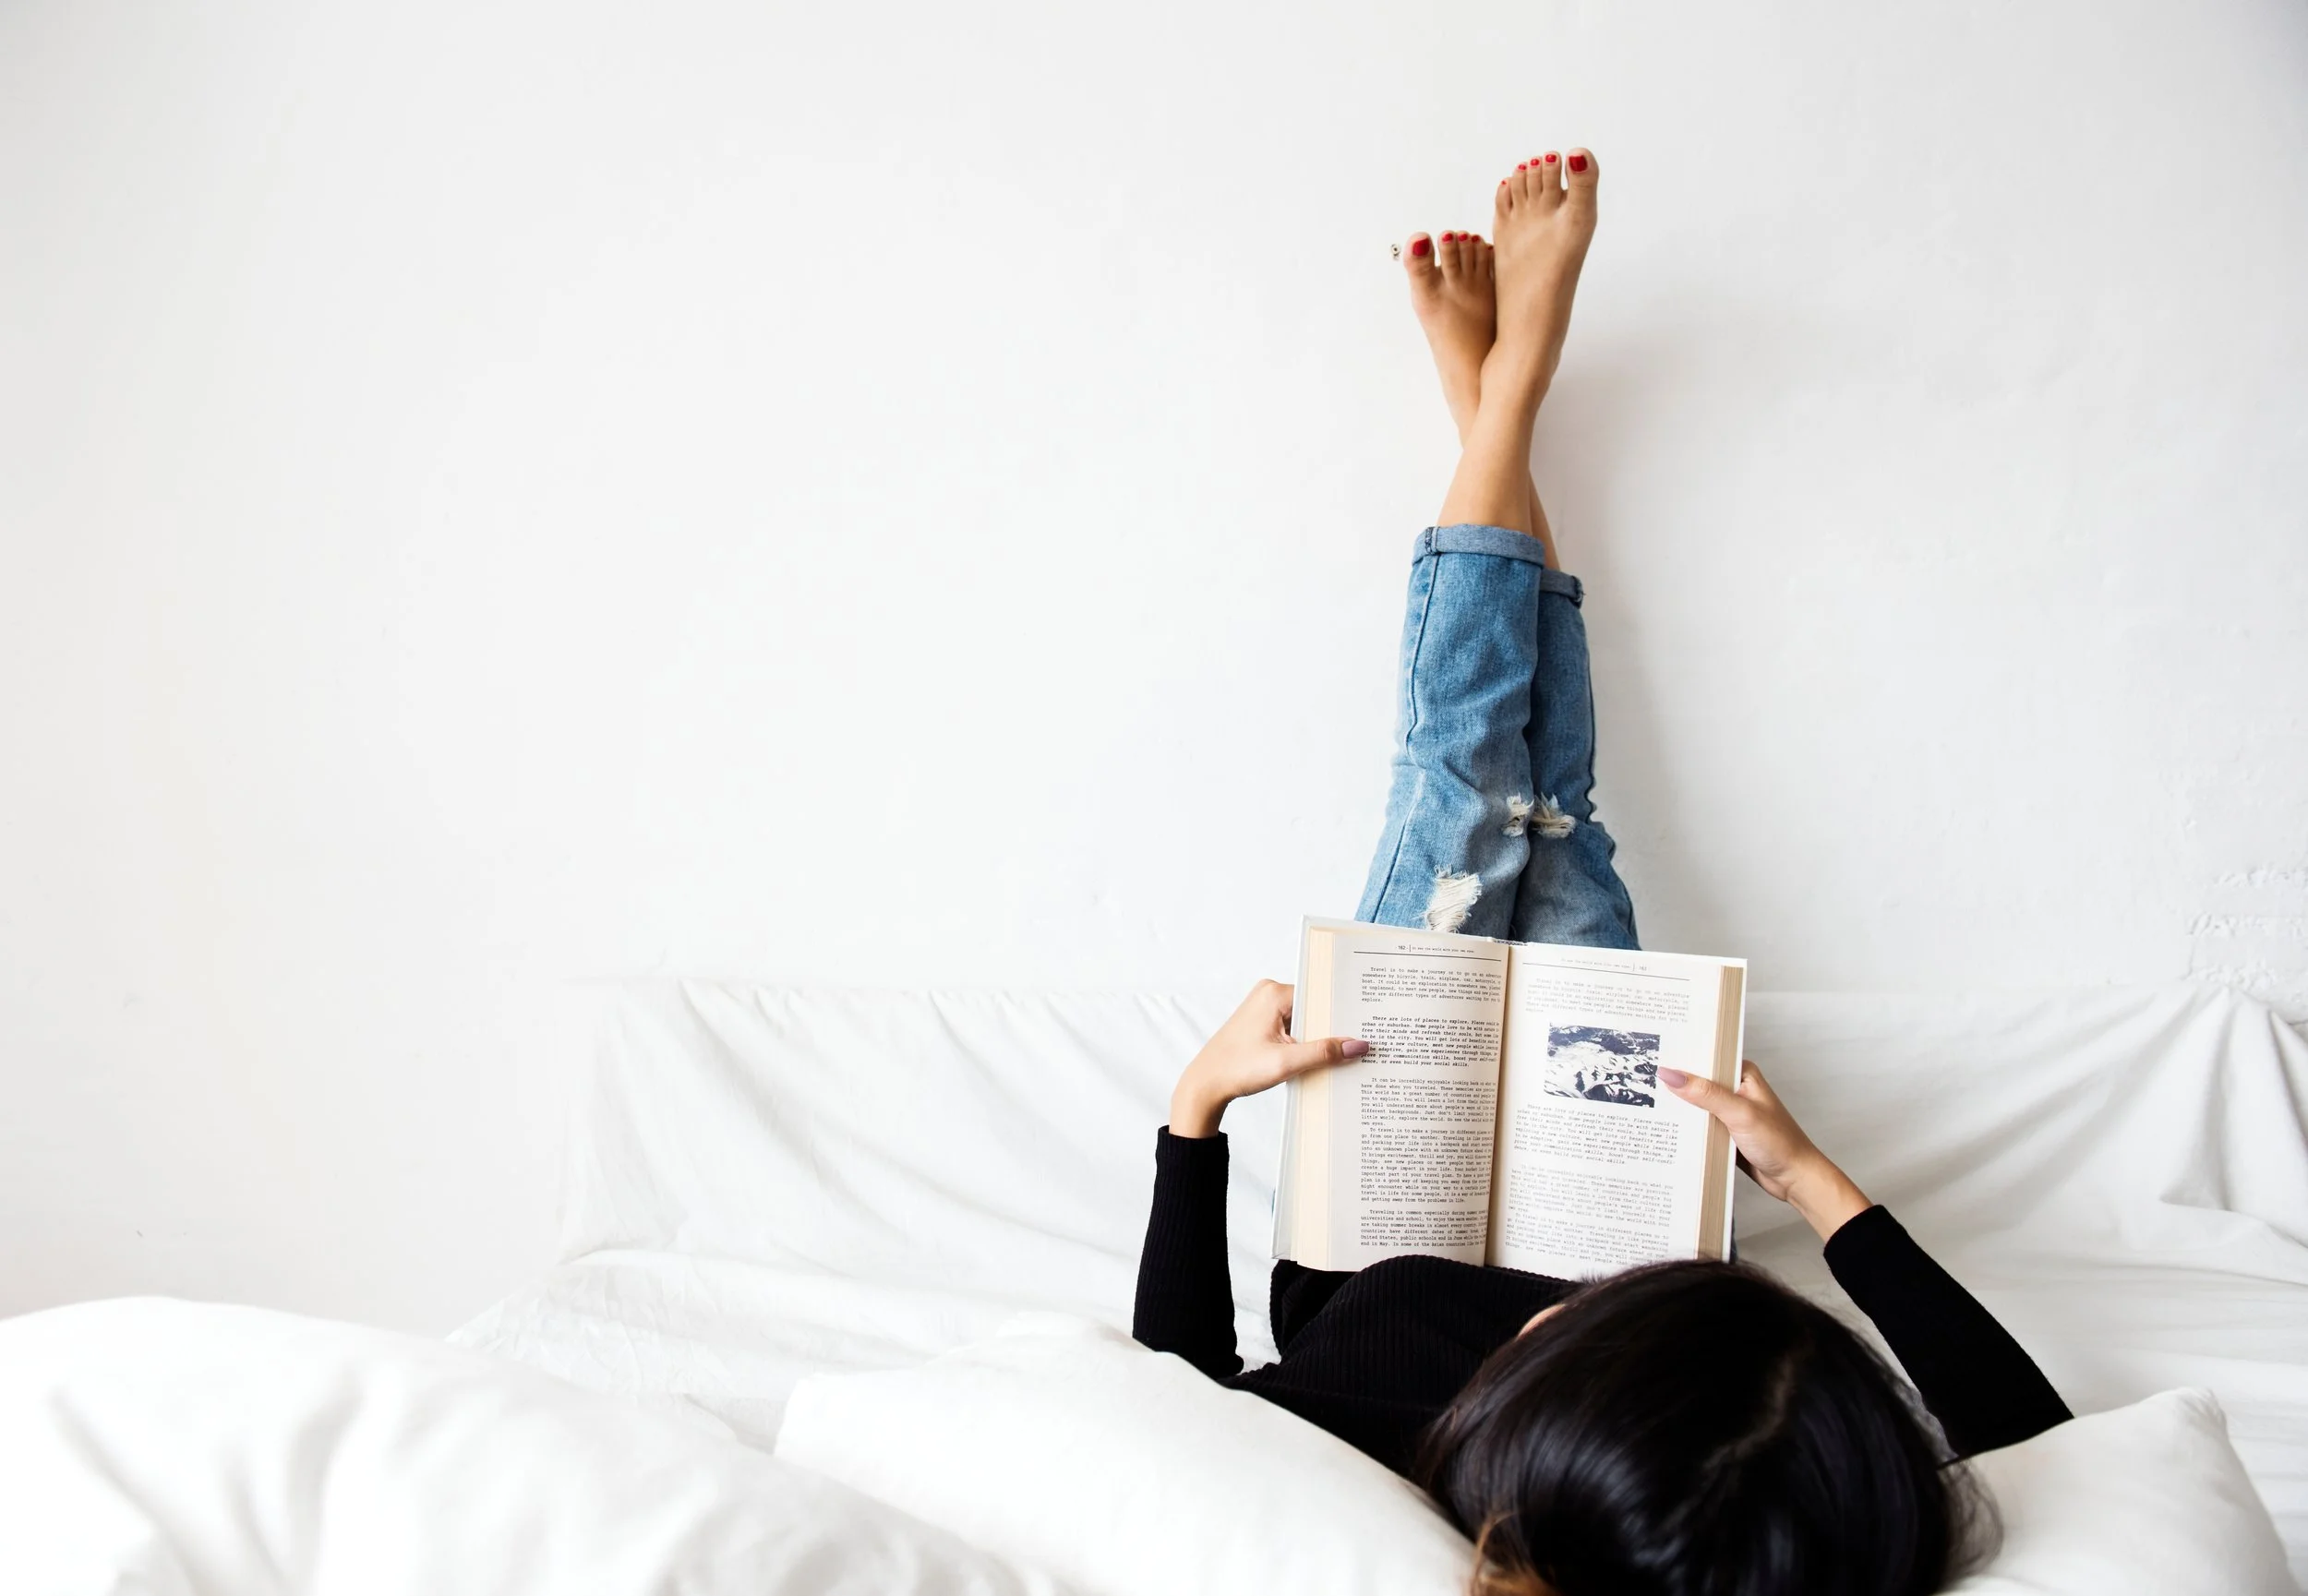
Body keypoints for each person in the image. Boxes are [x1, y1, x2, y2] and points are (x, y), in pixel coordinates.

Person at [1132, 149, 2073, 1596]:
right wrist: (1805, 1174)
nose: (1533, 1317)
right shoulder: (1763, 1495)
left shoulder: (1368, 1456)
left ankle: (1502, 402)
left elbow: (1163, 1409)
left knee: (1467, 791)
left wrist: (1195, 1116)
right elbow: (2030, 1444)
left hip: (1378, 1216)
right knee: (1550, 809)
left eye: (1549, 1350)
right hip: (1608, 1186)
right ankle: (1494, 406)